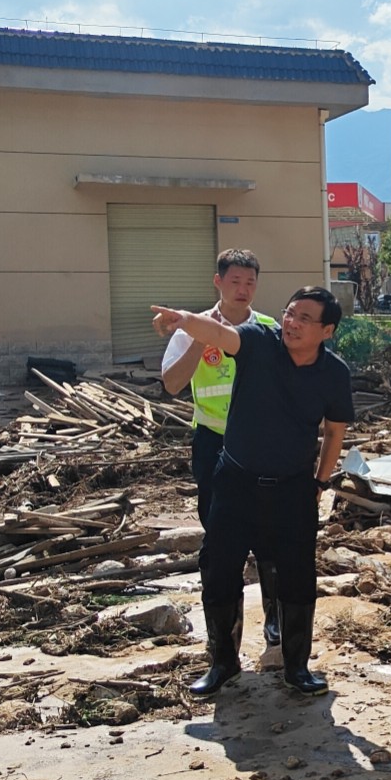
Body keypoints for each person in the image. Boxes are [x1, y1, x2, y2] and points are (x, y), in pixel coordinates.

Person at [151, 287, 354, 697]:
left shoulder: (334, 372)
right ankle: (223, 663)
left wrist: (319, 482)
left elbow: (334, 432)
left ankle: (296, 667)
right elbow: (220, 334)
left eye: (304, 318)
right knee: (219, 569)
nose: (292, 323)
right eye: (289, 313)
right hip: (236, 482)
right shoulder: (260, 342)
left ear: (327, 330)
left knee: (297, 576)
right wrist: (185, 320)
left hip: (293, 488)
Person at [159, 249, 283, 647]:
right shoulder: (191, 327)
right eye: (235, 282)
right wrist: (201, 339)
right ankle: (224, 637)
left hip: (260, 442)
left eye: (250, 282)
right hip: (214, 442)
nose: (243, 290)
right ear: (218, 282)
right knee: (220, 537)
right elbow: (172, 384)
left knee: (269, 531)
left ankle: (276, 619)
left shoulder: (268, 329)